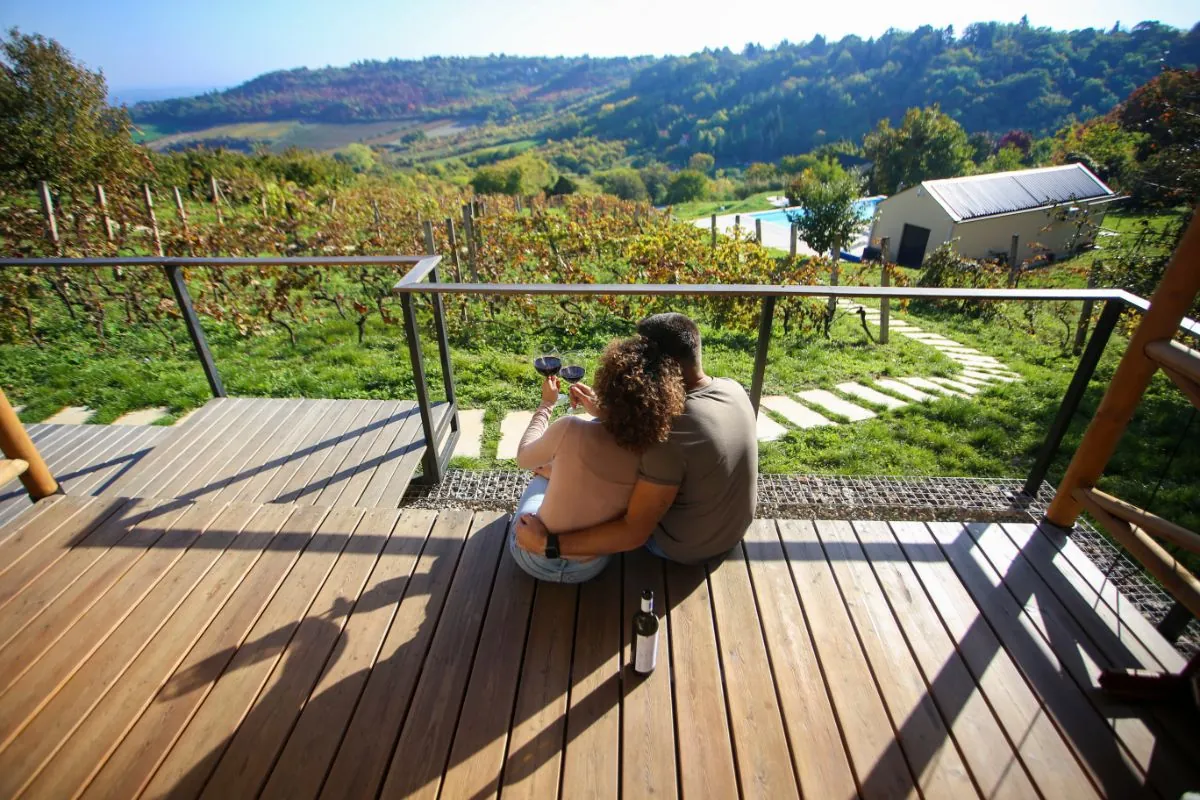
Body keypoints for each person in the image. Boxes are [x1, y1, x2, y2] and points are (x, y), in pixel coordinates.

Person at [515, 312, 758, 572]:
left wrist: (548, 544)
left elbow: (633, 532)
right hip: (731, 531)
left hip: (683, 548)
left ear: (657, 362)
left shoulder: (667, 431)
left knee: (560, 480)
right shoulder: (732, 388)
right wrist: (607, 412)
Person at [508, 335, 687, 583]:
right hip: (591, 564)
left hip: (532, 557)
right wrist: (603, 412)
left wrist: (546, 405)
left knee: (539, 473)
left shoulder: (569, 428)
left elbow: (523, 458)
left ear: (607, 383)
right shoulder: (654, 450)